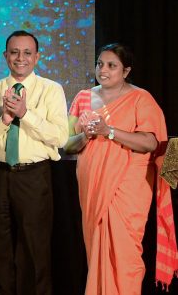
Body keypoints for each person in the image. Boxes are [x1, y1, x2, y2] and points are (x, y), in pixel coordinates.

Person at [64, 43, 177, 293]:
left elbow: (151, 142)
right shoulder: (83, 97)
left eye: (111, 65)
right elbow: (68, 145)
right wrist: (87, 135)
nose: (103, 70)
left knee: (126, 257)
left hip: (128, 186)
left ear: (126, 71)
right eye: (99, 64)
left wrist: (109, 131)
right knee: (97, 250)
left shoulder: (141, 98)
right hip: (93, 184)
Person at [0, 30, 68, 295]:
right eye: (14, 52)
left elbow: (60, 137)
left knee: (34, 249)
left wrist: (25, 114)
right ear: (5, 56)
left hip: (34, 176)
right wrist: (3, 120)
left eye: (27, 53)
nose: (20, 58)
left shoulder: (51, 89)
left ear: (37, 57)